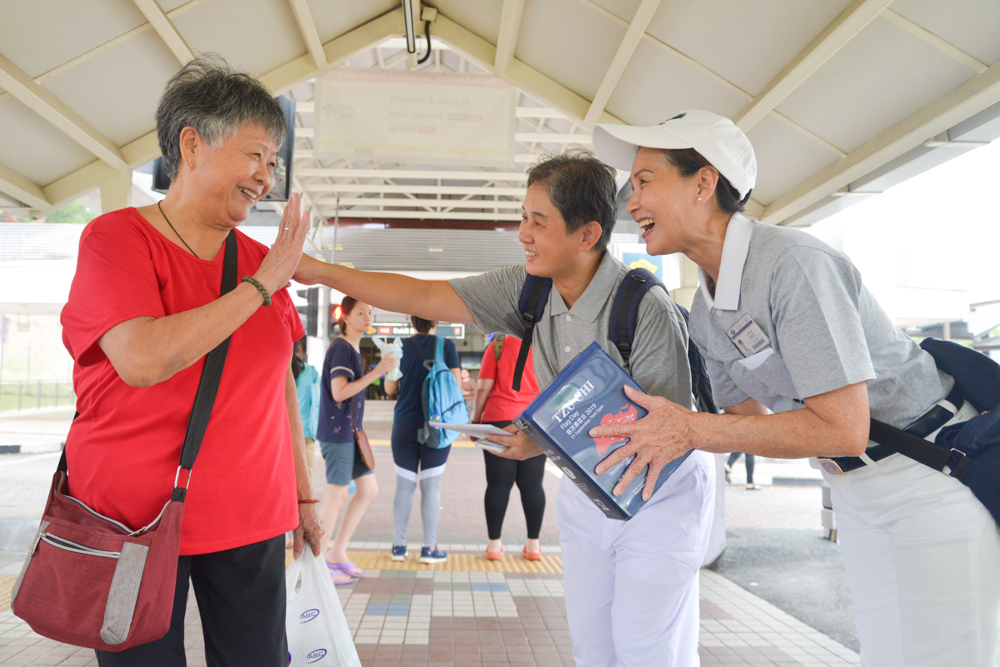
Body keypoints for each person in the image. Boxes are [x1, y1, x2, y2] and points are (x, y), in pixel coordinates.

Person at [588, 109, 1000, 667]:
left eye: (643, 181)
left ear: (704, 183)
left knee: (948, 656)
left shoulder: (793, 264)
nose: (629, 202)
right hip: (855, 491)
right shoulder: (706, 311)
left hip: (925, 477)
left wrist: (688, 429)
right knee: (885, 654)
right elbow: (748, 422)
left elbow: (844, 427)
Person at [295, 153, 715, 667]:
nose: (523, 234)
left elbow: (660, 436)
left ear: (587, 235)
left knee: (646, 651)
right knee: (593, 648)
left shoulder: (642, 306)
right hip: (589, 489)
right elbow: (425, 295)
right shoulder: (529, 289)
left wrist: (546, 437)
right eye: (522, 217)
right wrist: (318, 271)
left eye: (538, 222)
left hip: (657, 496)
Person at [59, 56, 320, 666]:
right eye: (255, 154)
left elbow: (278, 381)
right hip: (131, 522)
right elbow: (143, 358)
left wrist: (304, 499)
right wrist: (260, 286)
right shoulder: (117, 239)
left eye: (274, 161)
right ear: (192, 144)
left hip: (251, 515)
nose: (266, 176)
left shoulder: (265, 258)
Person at [316, 296, 397, 583]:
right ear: (346, 317)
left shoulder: (350, 349)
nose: (369, 317)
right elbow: (339, 392)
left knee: (368, 489)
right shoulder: (342, 350)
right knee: (336, 497)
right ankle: (318, 566)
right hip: (338, 435)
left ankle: (336, 552)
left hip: (349, 434)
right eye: (361, 312)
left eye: (371, 311)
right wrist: (377, 372)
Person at [383, 316, 462, 564]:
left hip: (404, 425)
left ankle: (399, 547)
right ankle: (429, 549)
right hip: (437, 427)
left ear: (411, 320)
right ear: (436, 321)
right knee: (431, 487)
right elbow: (456, 386)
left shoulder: (398, 346)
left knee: (404, 486)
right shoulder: (446, 346)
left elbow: (389, 389)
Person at [469, 334, 545, 561]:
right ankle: (533, 547)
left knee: (497, 485)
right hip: (534, 422)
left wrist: (475, 422)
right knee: (533, 485)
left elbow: (483, 388)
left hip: (499, 420)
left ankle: (494, 546)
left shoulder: (498, 346)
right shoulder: (542, 346)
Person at [292, 336, 320, 482]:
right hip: (306, 433)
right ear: (299, 349)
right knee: (307, 479)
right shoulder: (311, 372)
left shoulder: (275, 370)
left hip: (280, 434)